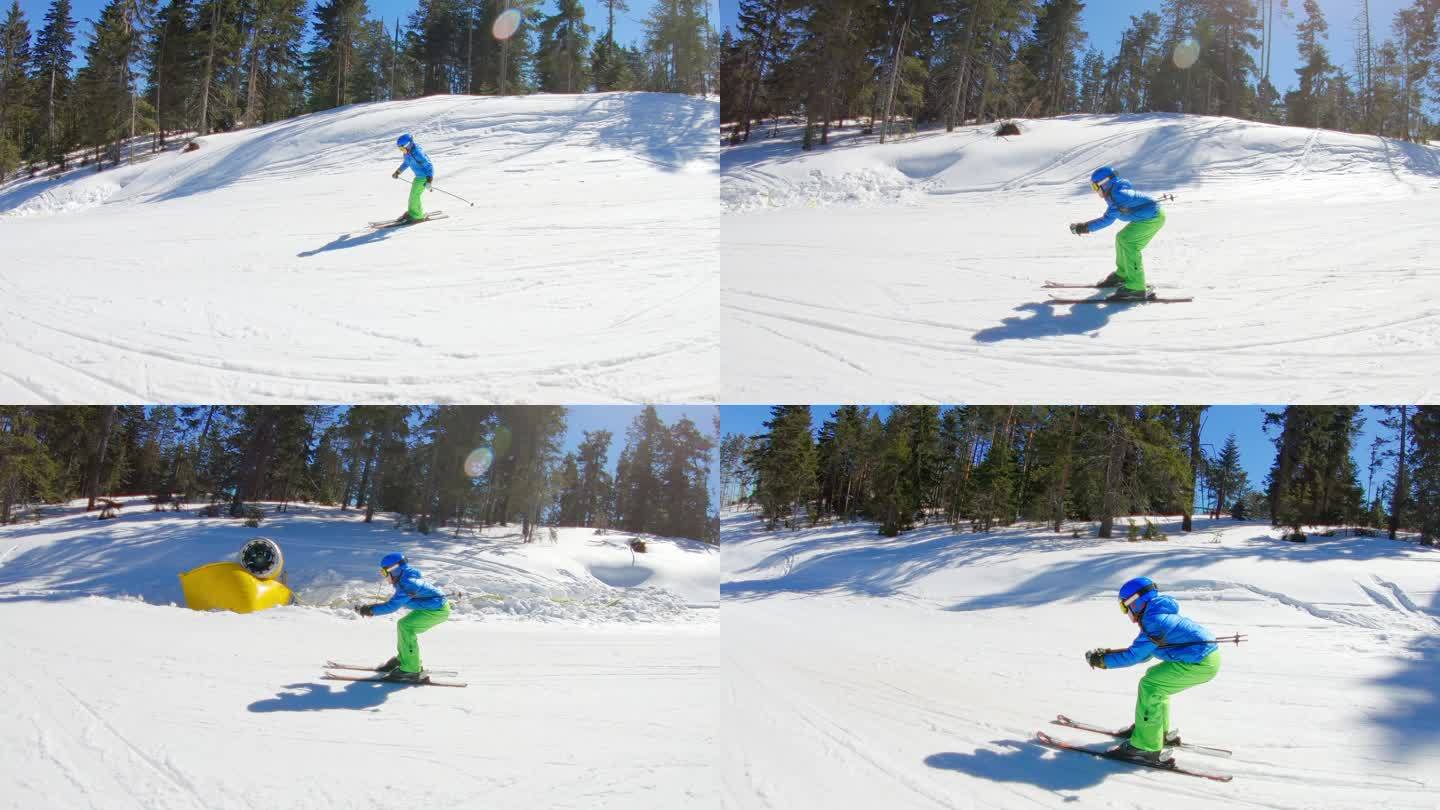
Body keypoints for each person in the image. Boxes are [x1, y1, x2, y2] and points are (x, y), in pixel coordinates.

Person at [1085, 577, 1220, 763]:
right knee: (1153, 678)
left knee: (1151, 687)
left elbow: (1135, 656)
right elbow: (1146, 654)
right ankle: (1155, 731)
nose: (1126, 613)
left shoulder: (1154, 620)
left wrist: (1102, 661)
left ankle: (1146, 746)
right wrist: (1107, 656)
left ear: (1135, 601)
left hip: (1200, 663)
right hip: (1203, 659)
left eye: (1124, 607)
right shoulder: (1157, 615)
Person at [1068, 166, 1165, 301]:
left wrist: (1084, 227)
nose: (1095, 191)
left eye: (1095, 187)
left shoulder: (1117, 196)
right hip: (1147, 217)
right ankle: (1123, 274)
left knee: (1130, 244)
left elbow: (1107, 220)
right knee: (1122, 238)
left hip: (1152, 218)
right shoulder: (1115, 192)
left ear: (1104, 183)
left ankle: (1136, 287)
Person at [356, 552, 450, 681]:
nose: (384, 576)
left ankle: (411, 669)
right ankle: (404, 659)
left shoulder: (408, 583)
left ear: (394, 570)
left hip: (438, 610)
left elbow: (392, 606)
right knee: (403, 625)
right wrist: (371, 609)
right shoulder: (404, 580)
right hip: (431, 608)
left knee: (407, 627)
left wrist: (371, 610)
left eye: (384, 572)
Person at [391, 133, 435, 224]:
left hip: (423, 177)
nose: (401, 151)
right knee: (413, 196)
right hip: (418, 177)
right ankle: (412, 212)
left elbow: (429, 166)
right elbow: (406, 163)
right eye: (400, 149)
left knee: (415, 196)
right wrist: (398, 172)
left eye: (402, 148)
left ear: (408, 145)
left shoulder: (417, 153)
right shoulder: (407, 153)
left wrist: (429, 180)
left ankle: (418, 216)